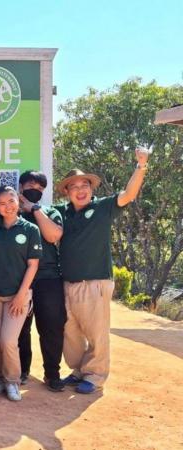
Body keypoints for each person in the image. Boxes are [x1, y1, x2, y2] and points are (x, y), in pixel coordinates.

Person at [56, 148, 150, 394]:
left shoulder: (103, 207)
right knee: (71, 332)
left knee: (97, 333)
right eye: (74, 186)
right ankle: (78, 371)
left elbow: (129, 194)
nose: (81, 189)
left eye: (85, 184)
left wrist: (141, 166)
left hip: (95, 282)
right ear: (67, 192)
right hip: (67, 283)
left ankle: (95, 375)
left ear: (92, 188)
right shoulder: (61, 213)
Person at [0, 186, 42, 402]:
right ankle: (0, 378)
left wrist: (21, 296)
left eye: (11, 200)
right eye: (2, 203)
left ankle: (13, 381)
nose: (8, 206)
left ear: (18, 201)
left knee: (8, 341)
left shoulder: (30, 229)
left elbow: (33, 265)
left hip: (18, 295)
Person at [16, 171, 66, 392]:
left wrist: (34, 210)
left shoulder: (50, 212)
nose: (33, 188)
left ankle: (52, 374)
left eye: (38, 186)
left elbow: (53, 236)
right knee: (19, 329)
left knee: (51, 327)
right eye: (29, 184)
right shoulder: (11, 212)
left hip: (48, 278)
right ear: (20, 187)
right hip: (20, 280)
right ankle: (21, 371)